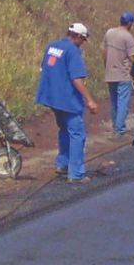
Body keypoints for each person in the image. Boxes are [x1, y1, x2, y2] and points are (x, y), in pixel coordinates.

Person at [36, 22, 99, 183]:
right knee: (77, 135)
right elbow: (76, 79)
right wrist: (89, 100)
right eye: (82, 40)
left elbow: (45, 69)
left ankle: (63, 164)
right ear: (77, 36)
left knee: (64, 130)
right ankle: (76, 173)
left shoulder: (52, 46)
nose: (82, 43)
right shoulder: (72, 51)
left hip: (53, 98)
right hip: (68, 99)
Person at [102, 12, 134, 136]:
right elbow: (133, 59)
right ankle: (119, 129)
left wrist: (106, 67)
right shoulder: (127, 36)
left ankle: (116, 126)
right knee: (123, 102)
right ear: (129, 23)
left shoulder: (109, 32)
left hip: (110, 73)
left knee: (114, 101)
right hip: (123, 74)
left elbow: (104, 51)